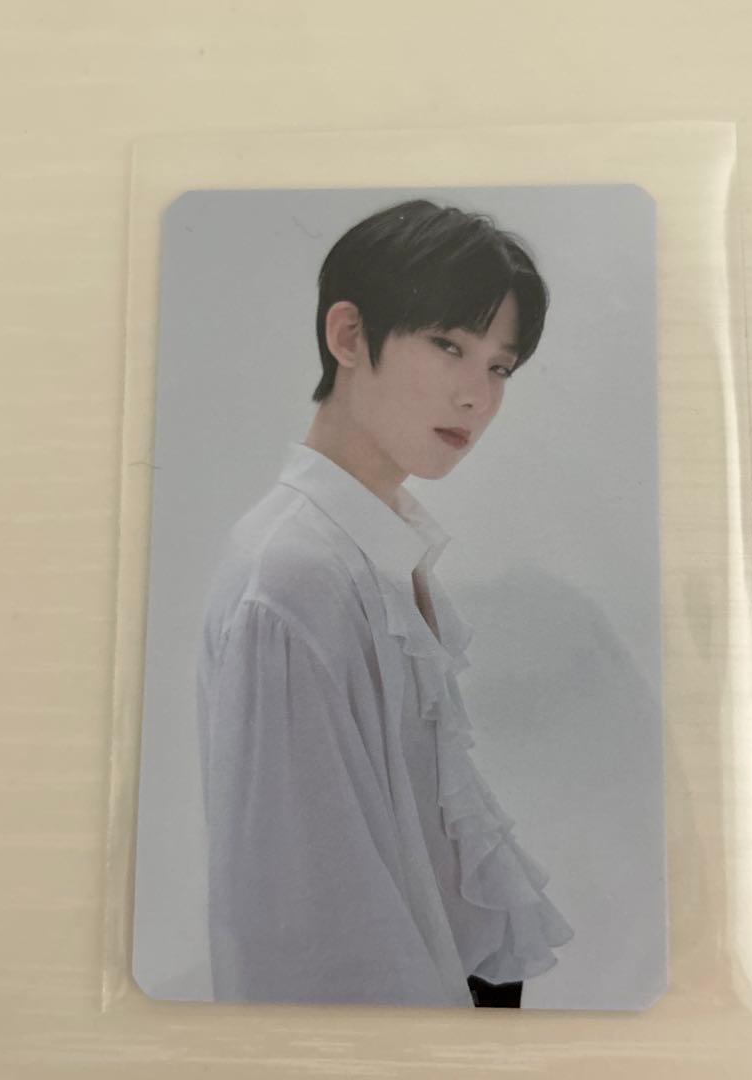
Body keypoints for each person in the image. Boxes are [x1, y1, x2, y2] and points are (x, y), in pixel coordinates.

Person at [196, 199, 573, 1009]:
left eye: (500, 368)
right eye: (449, 346)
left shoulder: (375, 547)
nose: (477, 397)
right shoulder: (291, 574)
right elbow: (302, 916)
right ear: (348, 335)